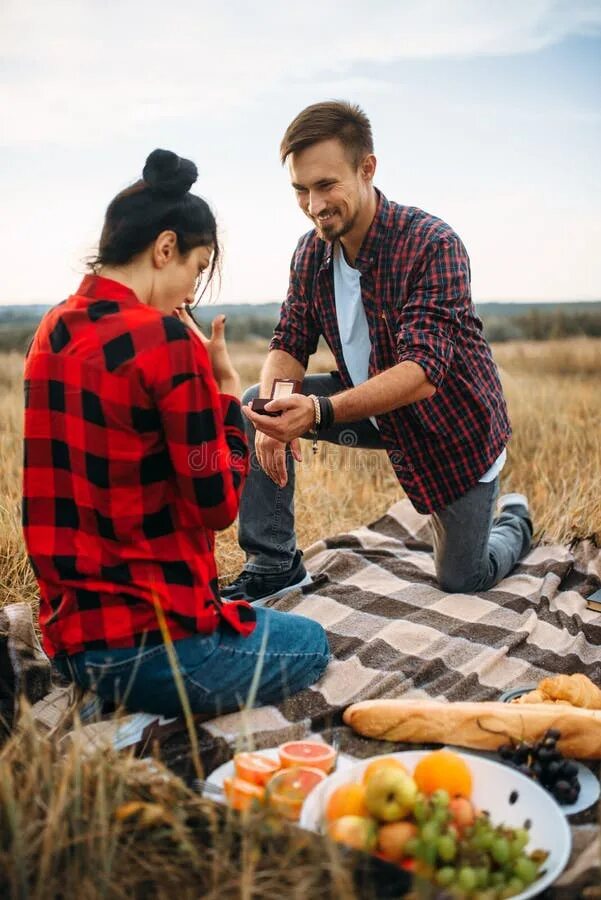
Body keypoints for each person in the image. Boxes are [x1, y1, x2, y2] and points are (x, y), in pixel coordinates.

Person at [22, 149, 329, 718]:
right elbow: (215, 504)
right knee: (311, 642)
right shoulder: (167, 342)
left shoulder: (54, 326)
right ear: (165, 249)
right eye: (196, 266)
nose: (192, 289)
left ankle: (98, 687)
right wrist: (224, 392)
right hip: (153, 642)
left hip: (68, 634)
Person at [222, 101, 533, 606]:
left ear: (367, 168)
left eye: (326, 185)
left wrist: (317, 410)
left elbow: (422, 373)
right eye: (301, 190)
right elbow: (289, 340)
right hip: (370, 407)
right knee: (261, 400)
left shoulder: (433, 244)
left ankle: (515, 516)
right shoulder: (310, 253)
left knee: (462, 578)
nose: (313, 204)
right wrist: (275, 417)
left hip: (449, 428)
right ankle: (274, 565)